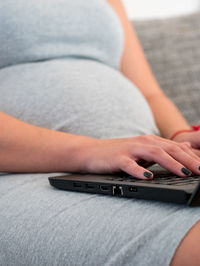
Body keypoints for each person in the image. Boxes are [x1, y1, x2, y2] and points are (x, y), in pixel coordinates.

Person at [0, 0, 200, 265]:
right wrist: (91, 151)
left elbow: (149, 92)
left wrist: (179, 140)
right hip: (26, 175)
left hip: (137, 169)